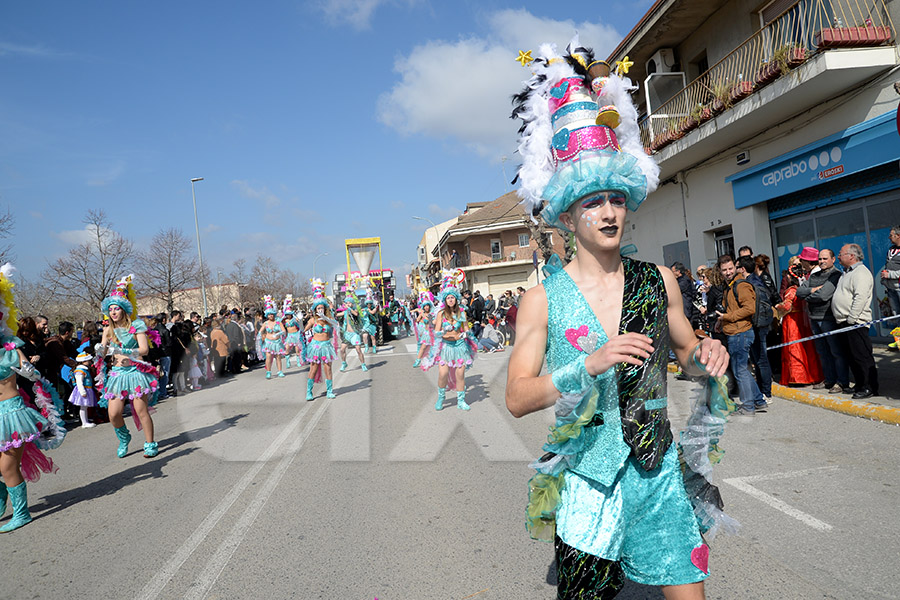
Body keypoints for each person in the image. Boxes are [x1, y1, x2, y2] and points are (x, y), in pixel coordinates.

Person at [507, 44, 731, 599]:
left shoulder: (659, 280)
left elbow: (687, 358)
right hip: (586, 480)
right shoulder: (542, 299)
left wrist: (709, 354)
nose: (608, 212)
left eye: (615, 198)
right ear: (566, 212)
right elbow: (516, 397)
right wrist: (589, 363)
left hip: (658, 469)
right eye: (591, 202)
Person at [0, 264, 67, 532]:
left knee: (7, 466)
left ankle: (22, 513)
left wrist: (28, 371)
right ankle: (3, 497)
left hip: (12, 412)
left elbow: (32, 373)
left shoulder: (11, 348)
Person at [97, 275, 159, 458]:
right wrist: (100, 349)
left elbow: (144, 350)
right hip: (117, 375)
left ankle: (150, 443)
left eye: (117, 309)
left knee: (141, 411)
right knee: (113, 414)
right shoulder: (108, 329)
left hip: (135, 372)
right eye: (111, 310)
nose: (114, 312)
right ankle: (124, 437)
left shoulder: (137, 325)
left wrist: (123, 350)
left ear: (124, 310)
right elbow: (103, 352)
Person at [420, 269, 477, 411]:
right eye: (448, 298)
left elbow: (466, 329)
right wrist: (444, 332)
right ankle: (441, 398)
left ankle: (461, 401)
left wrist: (465, 334)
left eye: (452, 297)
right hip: (446, 347)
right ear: (444, 299)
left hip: (459, 347)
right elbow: (437, 332)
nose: (450, 300)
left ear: (456, 299)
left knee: (460, 375)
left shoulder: (462, 312)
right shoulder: (440, 313)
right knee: (443, 374)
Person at [796, 249, 849, 393]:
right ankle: (829, 379)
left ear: (832, 259)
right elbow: (799, 292)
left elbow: (824, 295)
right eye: (820, 259)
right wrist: (813, 290)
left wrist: (809, 294)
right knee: (822, 352)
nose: (822, 261)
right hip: (814, 318)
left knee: (836, 351)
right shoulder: (815, 276)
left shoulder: (836, 275)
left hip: (829, 318)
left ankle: (842, 381)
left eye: (825, 258)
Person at [719, 254, 766, 414]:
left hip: (741, 333)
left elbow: (749, 308)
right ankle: (758, 400)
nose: (727, 272)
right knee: (742, 369)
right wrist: (721, 321)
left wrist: (727, 317)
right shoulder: (729, 285)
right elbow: (731, 308)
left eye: (730, 268)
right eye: (724, 269)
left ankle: (748, 406)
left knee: (740, 370)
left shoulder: (741, 285)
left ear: (736, 268)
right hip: (734, 332)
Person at [832, 243, 879, 399]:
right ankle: (859, 384)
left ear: (851, 256)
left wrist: (852, 318)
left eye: (841, 253)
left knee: (862, 356)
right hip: (844, 322)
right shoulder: (847, 273)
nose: (838, 257)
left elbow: (860, 297)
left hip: (855, 322)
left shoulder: (861, 273)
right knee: (852, 356)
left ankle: (869, 387)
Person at [773, 262, 823, 386]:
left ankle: (797, 376)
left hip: (792, 320)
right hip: (802, 318)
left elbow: (787, 306)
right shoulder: (801, 289)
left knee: (794, 347)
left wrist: (776, 307)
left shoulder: (790, 290)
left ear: (790, 277)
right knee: (806, 347)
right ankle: (811, 374)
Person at [304, 280, 339, 400]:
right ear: (315, 309)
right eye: (318, 308)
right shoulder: (313, 320)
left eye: (322, 308)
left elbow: (336, 325)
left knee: (328, 368)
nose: (320, 310)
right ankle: (309, 392)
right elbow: (303, 330)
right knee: (313, 368)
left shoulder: (329, 318)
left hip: (326, 346)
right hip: (315, 346)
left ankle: (329, 391)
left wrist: (327, 319)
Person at [338, 290, 368, 373]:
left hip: (355, 334)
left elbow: (356, 314)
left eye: (349, 303)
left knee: (358, 350)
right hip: (347, 334)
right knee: (342, 349)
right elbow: (337, 315)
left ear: (352, 303)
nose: (348, 304)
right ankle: (344, 363)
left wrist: (349, 308)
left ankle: (363, 364)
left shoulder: (355, 310)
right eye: (346, 303)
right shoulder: (345, 312)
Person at [257, 296, 286, 379]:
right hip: (268, 342)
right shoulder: (265, 323)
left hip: (277, 342)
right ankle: (268, 372)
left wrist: (277, 334)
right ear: (267, 315)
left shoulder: (278, 322)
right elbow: (260, 331)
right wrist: (260, 336)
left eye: (272, 314)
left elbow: (284, 331)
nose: (271, 316)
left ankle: (280, 371)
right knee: (268, 358)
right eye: (269, 314)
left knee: (278, 358)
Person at [68, 352, 98, 428]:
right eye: (88, 360)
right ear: (83, 361)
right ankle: (84, 423)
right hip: (84, 390)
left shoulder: (84, 370)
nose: (90, 362)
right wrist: (82, 392)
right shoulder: (80, 371)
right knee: (83, 407)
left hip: (87, 389)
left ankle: (86, 421)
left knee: (85, 407)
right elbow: (79, 382)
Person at [880, 225, 900, 327]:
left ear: (898, 236)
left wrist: (890, 274)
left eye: (891, 235)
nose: (889, 237)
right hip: (890, 287)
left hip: (898, 287)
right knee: (896, 314)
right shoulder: (891, 249)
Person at [412, 291, 436, 368]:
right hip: (426, 333)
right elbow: (417, 320)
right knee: (423, 347)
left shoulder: (432, 314)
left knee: (434, 347)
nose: (426, 307)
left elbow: (434, 322)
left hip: (432, 332)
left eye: (427, 306)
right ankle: (417, 360)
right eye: (425, 306)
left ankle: (432, 360)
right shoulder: (422, 313)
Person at [282, 295, 304, 369]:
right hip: (289, 336)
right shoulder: (285, 320)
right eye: (287, 314)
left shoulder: (294, 319)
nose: (288, 316)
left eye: (289, 314)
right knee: (287, 349)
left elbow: (299, 320)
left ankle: (298, 362)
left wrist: (295, 316)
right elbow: (279, 322)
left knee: (297, 349)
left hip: (296, 335)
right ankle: (288, 362)